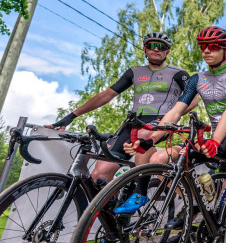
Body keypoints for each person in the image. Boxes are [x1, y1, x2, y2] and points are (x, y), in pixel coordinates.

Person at [124, 26, 226, 243]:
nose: (207, 51)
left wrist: (215, 141)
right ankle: (196, 205)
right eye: (203, 47)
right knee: (164, 158)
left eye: (213, 46)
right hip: (215, 137)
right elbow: (175, 110)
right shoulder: (198, 78)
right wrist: (151, 140)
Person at [49, 32, 190, 186]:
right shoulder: (134, 72)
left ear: (167, 51)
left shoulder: (178, 74)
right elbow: (106, 95)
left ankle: (140, 193)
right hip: (133, 123)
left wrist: (171, 118)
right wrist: (71, 116)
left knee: (143, 135)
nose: (156, 49)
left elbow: (193, 100)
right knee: (99, 174)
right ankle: (107, 208)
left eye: (161, 47)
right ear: (144, 49)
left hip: (161, 121)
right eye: (151, 46)